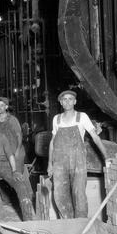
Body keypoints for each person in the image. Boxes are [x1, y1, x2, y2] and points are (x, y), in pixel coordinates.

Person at [47, 90, 108, 219]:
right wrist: (49, 164)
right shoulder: (56, 119)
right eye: (64, 99)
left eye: (70, 99)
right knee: (60, 195)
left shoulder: (82, 117)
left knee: (79, 194)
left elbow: (95, 137)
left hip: (78, 161)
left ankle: (81, 225)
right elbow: (52, 142)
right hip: (59, 162)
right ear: (61, 103)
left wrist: (106, 156)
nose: (67, 101)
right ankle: (67, 225)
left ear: (75, 101)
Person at [0, 97, 32, 197]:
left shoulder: (12, 119)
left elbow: (19, 135)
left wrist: (17, 151)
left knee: (17, 176)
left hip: (15, 150)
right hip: (2, 152)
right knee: (4, 175)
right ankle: (7, 198)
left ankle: (26, 197)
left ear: (6, 107)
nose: (0, 107)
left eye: (2, 105)